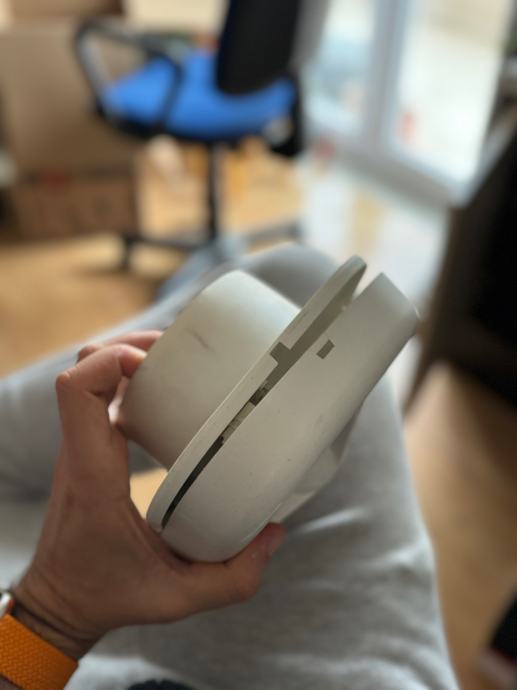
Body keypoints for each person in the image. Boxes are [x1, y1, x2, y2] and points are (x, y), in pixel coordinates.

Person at [0, 245, 458, 690]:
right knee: (299, 278)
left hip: (55, 632)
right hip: (353, 667)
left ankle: (177, 362)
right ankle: (182, 358)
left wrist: (53, 613)